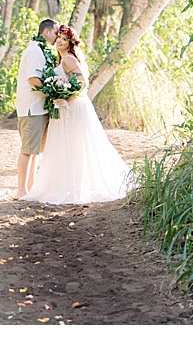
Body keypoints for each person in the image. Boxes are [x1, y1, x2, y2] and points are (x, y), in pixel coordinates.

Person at [21, 24, 132, 205]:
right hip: (66, 108)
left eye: (64, 39)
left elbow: (82, 83)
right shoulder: (63, 59)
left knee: (75, 146)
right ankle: (70, 187)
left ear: (70, 43)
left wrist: (67, 100)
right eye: (58, 38)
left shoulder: (68, 60)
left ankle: (74, 189)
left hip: (73, 108)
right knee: (69, 147)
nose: (59, 41)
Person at [15, 19, 58, 200]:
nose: (57, 37)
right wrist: (53, 92)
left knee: (35, 151)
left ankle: (32, 189)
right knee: (27, 150)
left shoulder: (41, 50)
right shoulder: (33, 50)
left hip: (39, 108)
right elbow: (33, 79)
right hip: (31, 108)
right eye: (56, 32)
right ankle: (21, 191)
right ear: (46, 32)